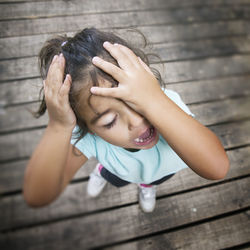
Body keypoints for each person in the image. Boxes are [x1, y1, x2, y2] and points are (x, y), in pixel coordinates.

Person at [23, 28, 230, 213]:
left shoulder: (167, 103)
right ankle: (102, 172)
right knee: (115, 177)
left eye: (138, 101)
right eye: (110, 121)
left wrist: (155, 102)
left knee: (153, 179)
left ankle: (147, 185)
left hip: (164, 170)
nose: (137, 121)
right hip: (121, 171)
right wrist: (58, 127)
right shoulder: (89, 139)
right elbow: (37, 196)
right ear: (89, 129)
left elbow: (217, 167)